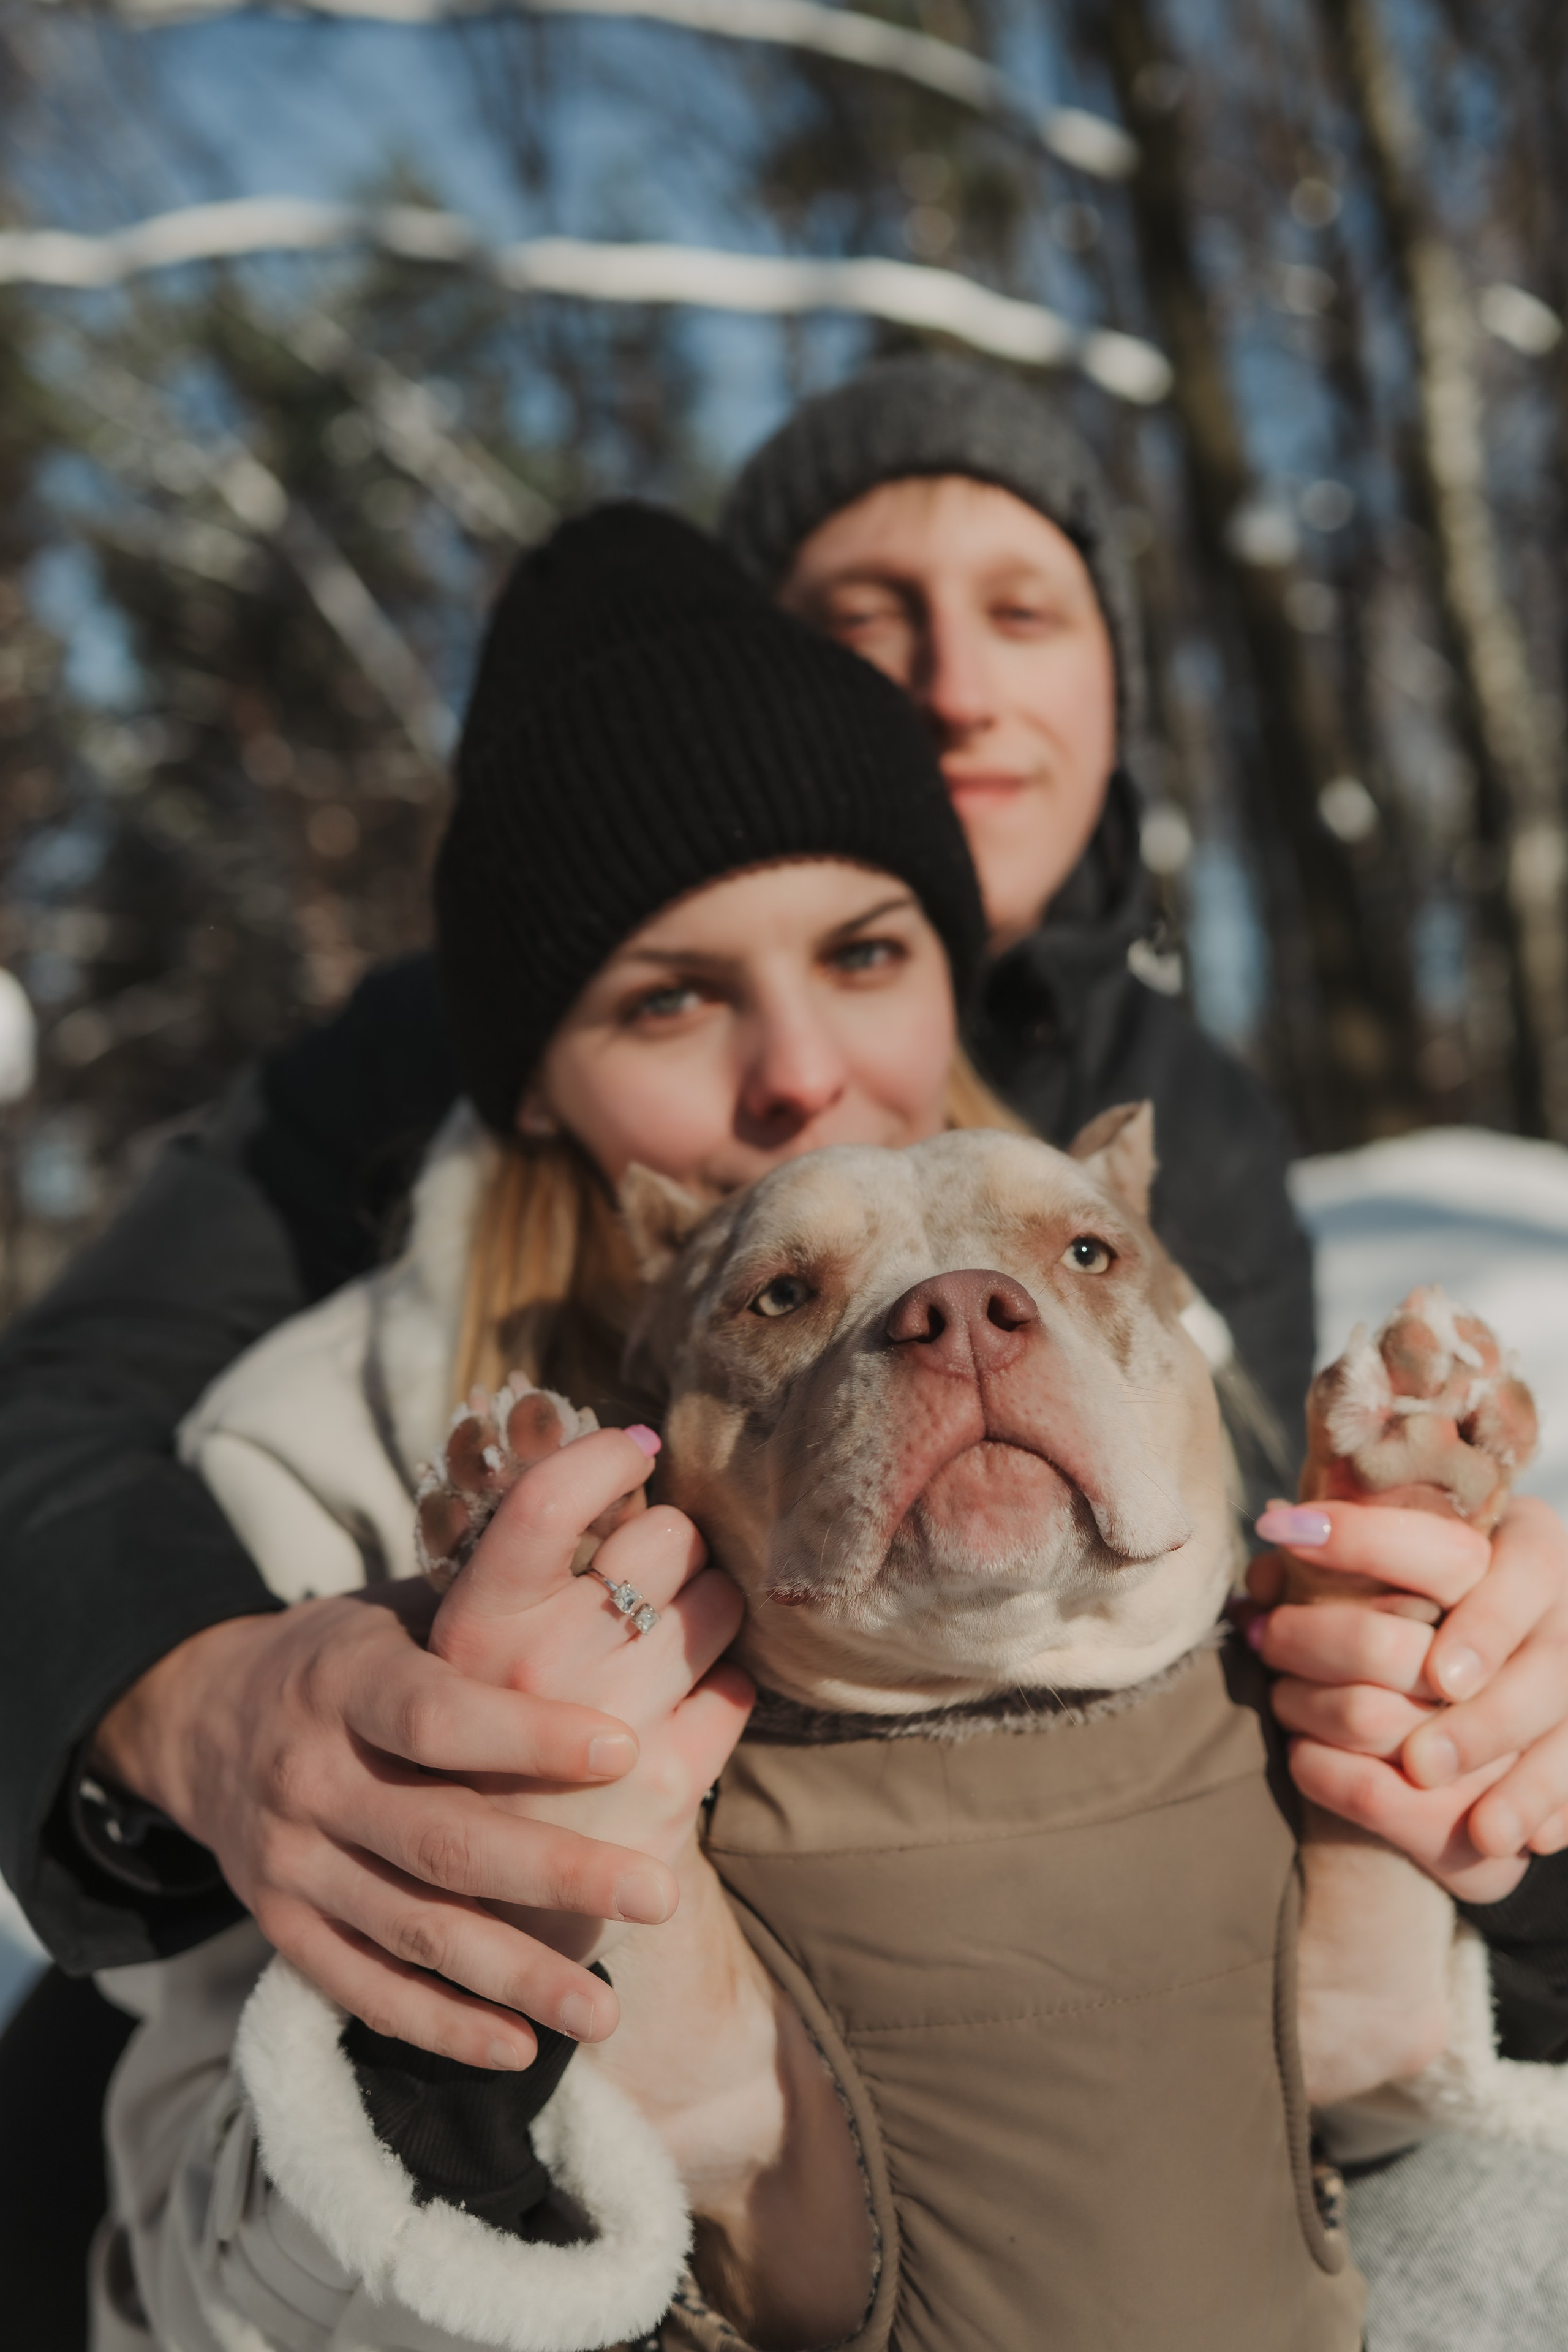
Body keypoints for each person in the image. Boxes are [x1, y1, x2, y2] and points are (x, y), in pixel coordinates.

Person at [2, 359, 1567, 2328]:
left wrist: (1496, 1790)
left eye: (867, 953)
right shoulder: (321, 1449)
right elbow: (202, 2264)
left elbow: (1354, 2055)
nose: (804, 1075)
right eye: (666, 1000)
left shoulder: (1143, 1272)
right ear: (527, 1074)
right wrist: (224, 1736)